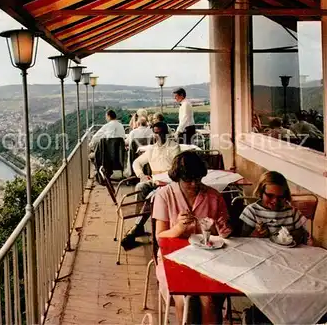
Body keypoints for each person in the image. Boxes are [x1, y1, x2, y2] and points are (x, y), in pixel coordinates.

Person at [153, 151, 232, 325]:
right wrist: (178, 228)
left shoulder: (213, 196)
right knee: (186, 300)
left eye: (198, 179)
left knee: (210, 300)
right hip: (173, 258)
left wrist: (222, 230)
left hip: (209, 258)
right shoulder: (165, 195)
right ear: (177, 177)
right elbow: (160, 237)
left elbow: (224, 234)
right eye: (189, 180)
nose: (195, 184)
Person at [121, 122, 180, 247]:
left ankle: (137, 226)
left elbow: (177, 170)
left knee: (152, 197)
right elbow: (137, 163)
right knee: (140, 187)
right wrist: (141, 176)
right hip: (155, 180)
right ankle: (140, 223)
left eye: (160, 133)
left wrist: (164, 178)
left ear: (166, 133)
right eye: (155, 133)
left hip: (170, 183)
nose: (157, 136)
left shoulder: (174, 147)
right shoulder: (152, 149)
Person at [240, 171, 309, 245]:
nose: (275, 201)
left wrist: (293, 236)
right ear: (261, 192)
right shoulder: (251, 211)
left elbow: (301, 235)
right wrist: (256, 234)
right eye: (270, 196)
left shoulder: (292, 212)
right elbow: (244, 240)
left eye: (280, 197)